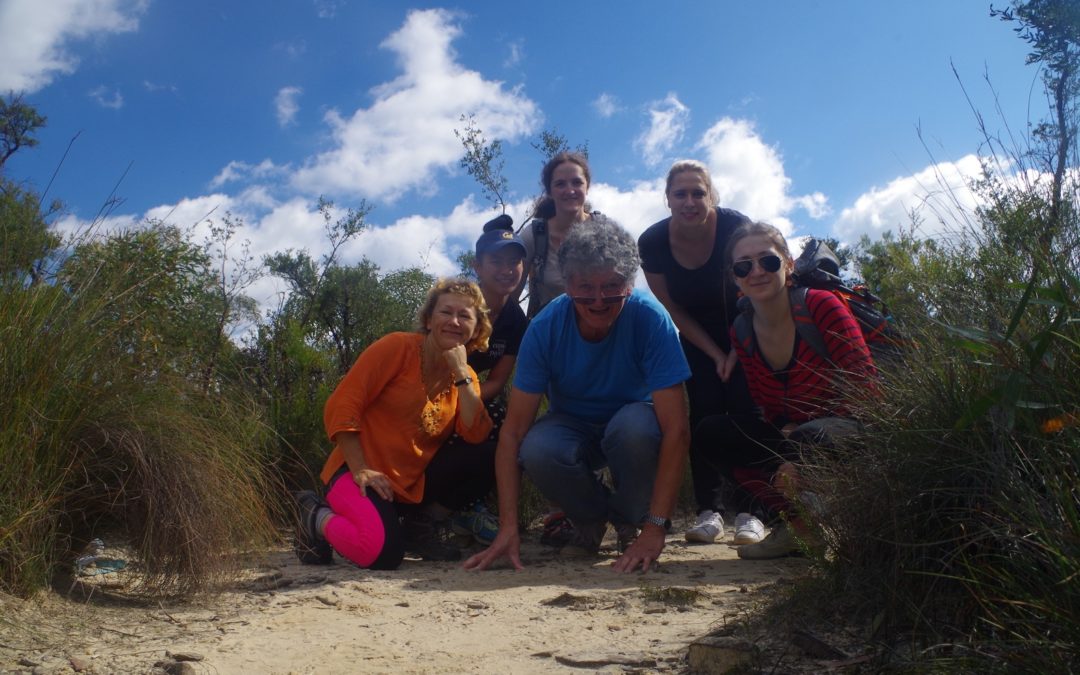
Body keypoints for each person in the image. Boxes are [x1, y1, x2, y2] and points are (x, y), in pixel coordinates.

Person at [464, 217, 692, 574]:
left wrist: (656, 525)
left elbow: (676, 429)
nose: (599, 300)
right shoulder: (544, 328)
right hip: (572, 424)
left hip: (634, 420)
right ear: (567, 284)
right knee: (538, 448)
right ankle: (589, 520)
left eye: (612, 286)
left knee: (635, 429)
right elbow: (513, 433)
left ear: (630, 284)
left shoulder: (650, 319)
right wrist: (508, 526)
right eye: (585, 287)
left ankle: (633, 523)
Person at [695, 222, 876, 559]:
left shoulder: (821, 306)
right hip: (798, 434)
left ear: (788, 264)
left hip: (851, 432)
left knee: (810, 439)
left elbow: (865, 391)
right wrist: (787, 437)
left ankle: (841, 514)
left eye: (769, 261)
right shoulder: (743, 331)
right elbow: (767, 404)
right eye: (744, 266)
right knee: (711, 433)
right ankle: (799, 524)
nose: (757, 272)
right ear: (734, 276)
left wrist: (797, 451)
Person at [294, 278, 494, 568]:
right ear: (428, 319)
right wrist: (361, 468)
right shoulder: (397, 348)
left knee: (486, 455)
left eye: (465, 316)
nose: (454, 321)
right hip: (357, 472)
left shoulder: (467, 378)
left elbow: (476, 435)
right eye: (445, 312)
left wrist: (461, 372)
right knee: (382, 554)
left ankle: (419, 528)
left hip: (408, 485)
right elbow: (343, 405)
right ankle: (314, 515)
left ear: (476, 329)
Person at [638, 159, 762, 546]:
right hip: (694, 335)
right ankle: (710, 511)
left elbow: (757, 289)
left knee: (746, 412)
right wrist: (714, 353)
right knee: (705, 414)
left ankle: (752, 511)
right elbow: (672, 307)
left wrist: (736, 349)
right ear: (668, 198)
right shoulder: (653, 243)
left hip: (748, 326)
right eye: (681, 193)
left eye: (698, 192)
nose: (689, 201)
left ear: (711, 195)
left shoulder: (734, 227)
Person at [443, 214, 530, 545]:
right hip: (433, 392)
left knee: (506, 423)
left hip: (473, 394)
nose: (507, 269)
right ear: (478, 266)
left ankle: (471, 509)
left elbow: (498, 379)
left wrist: (469, 402)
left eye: (514, 261)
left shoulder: (515, 321)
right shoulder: (458, 306)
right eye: (496, 261)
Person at [519, 151, 598, 318]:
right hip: (551, 332)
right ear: (549, 191)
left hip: (602, 327)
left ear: (587, 187)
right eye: (560, 184)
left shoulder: (605, 232)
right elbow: (509, 296)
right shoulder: (534, 236)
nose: (570, 190)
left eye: (577, 182)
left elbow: (625, 289)